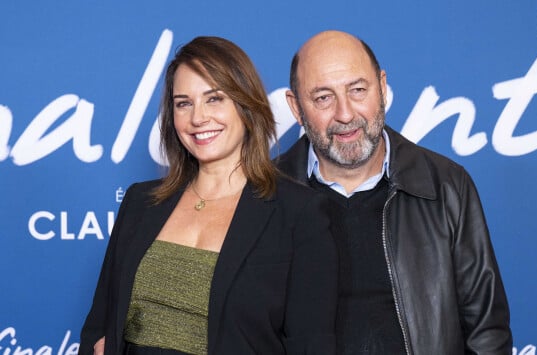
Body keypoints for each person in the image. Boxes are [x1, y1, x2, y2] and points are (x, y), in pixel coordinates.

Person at [79, 36, 338, 355]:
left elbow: (312, 344)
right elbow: (98, 327)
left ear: (246, 105)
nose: (198, 118)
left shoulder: (300, 214)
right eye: (183, 103)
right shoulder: (140, 202)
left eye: (214, 99)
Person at [276, 30, 512, 354]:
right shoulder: (264, 195)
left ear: (382, 86)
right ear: (296, 107)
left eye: (358, 90)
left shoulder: (446, 186)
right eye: (323, 98)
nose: (345, 114)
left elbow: (487, 333)